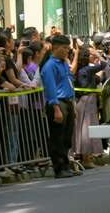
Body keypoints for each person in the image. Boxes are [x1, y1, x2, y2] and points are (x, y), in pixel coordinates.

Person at [40, 35, 78, 179]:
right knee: (58, 137)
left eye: (68, 48)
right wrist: (56, 108)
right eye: (64, 48)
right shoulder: (50, 66)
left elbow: (69, 83)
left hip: (67, 101)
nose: (67, 51)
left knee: (67, 137)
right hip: (58, 103)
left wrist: (73, 104)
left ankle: (66, 165)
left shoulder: (63, 63)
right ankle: (59, 167)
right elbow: (50, 88)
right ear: (55, 48)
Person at [74, 48, 106, 169]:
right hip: (88, 100)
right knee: (87, 129)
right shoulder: (88, 69)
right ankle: (87, 159)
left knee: (81, 129)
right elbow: (104, 64)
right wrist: (98, 54)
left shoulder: (79, 69)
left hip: (81, 101)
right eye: (91, 55)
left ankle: (84, 157)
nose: (93, 57)